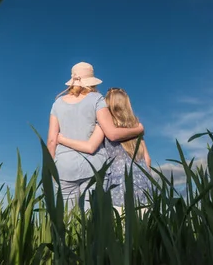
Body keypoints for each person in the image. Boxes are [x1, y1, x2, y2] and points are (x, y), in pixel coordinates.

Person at [46, 63, 144, 209]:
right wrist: (138, 129)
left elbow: (52, 140)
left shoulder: (57, 104)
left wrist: (50, 169)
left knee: (66, 220)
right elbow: (112, 133)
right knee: (92, 220)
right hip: (94, 167)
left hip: (64, 167)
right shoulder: (97, 99)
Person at [57, 87, 152, 212]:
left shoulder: (104, 125)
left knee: (121, 229)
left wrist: (63, 140)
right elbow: (147, 160)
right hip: (144, 187)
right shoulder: (136, 127)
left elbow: (90, 147)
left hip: (119, 188)